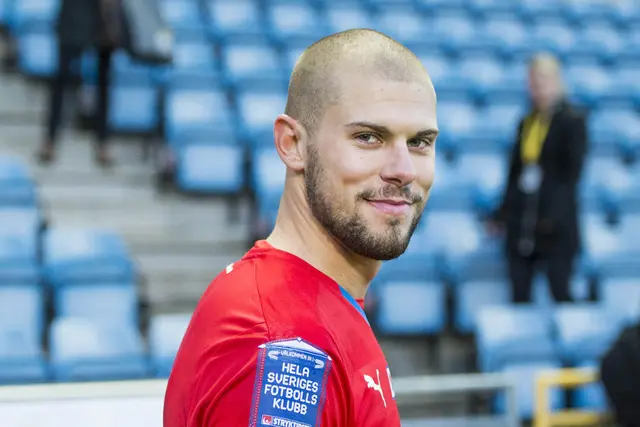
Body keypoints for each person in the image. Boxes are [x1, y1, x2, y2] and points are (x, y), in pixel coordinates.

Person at [164, 29, 438, 427]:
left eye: (420, 142)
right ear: (292, 144)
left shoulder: (310, 308)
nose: (404, 170)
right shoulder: (280, 343)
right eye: (368, 137)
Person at [489, 53, 587, 304]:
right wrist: (501, 214)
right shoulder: (527, 122)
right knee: (519, 294)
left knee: (560, 291)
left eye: (542, 81)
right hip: (522, 224)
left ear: (557, 81)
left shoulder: (572, 121)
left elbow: (570, 176)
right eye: (532, 82)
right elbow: (515, 174)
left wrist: (551, 216)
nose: (537, 88)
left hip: (555, 225)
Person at [36, 0, 120, 167]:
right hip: (75, 11)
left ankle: (103, 142)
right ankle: (50, 140)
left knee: (104, 82)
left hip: (104, 15)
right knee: (61, 79)